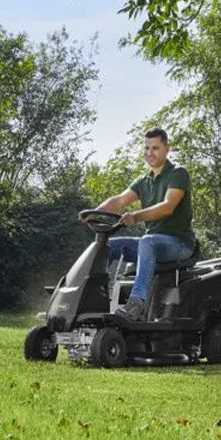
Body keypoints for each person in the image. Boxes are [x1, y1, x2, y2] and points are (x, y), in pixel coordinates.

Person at [82, 127, 195, 320]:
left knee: (147, 241)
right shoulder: (143, 181)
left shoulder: (178, 173)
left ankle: (136, 304)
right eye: (147, 148)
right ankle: (92, 297)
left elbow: (168, 206)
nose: (150, 153)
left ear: (167, 149)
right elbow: (119, 200)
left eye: (155, 148)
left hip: (178, 244)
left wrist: (136, 216)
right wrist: (95, 213)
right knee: (107, 246)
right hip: (151, 245)